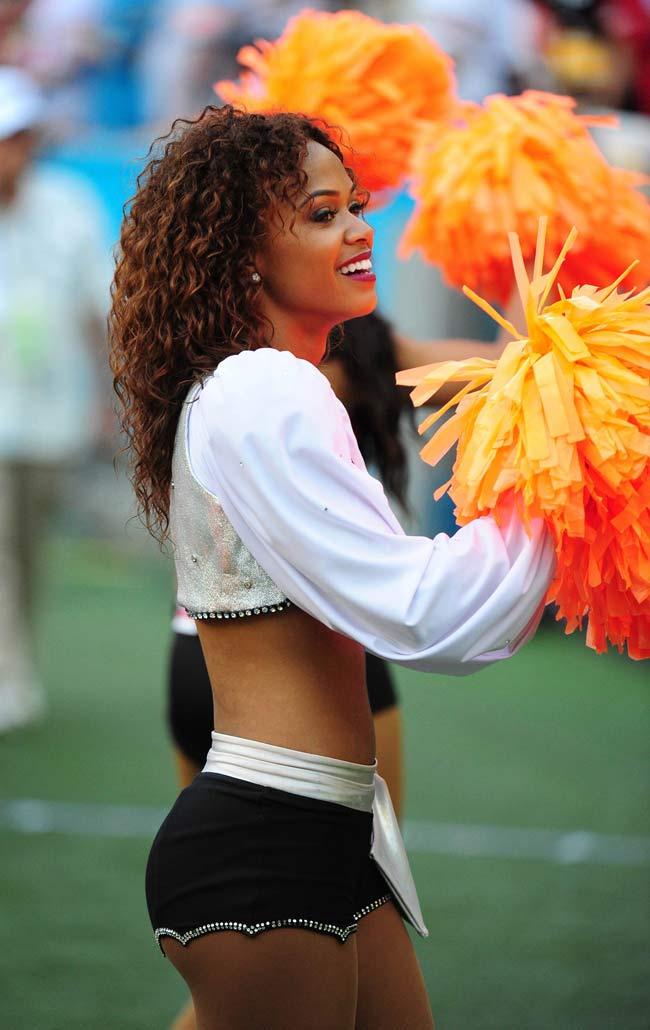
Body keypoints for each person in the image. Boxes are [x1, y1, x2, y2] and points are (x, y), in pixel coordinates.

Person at [110, 104, 554, 1030]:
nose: (360, 229)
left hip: (327, 830)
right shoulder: (263, 386)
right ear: (240, 253)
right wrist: (560, 480)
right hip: (269, 840)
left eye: (355, 206)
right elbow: (425, 615)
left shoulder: (255, 382)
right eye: (320, 213)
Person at [0, 66, 111, 732]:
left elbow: (93, 312)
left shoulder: (67, 206)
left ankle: (17, 660)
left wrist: (108, 398)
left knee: (29, 550)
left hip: (50, 417)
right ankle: (7, 676)